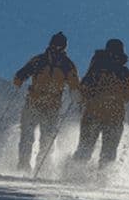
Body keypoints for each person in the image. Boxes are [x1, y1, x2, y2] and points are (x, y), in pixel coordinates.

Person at [73, 39, 129, 167]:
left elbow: (85, 89)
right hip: (111, 117)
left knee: (87, 151)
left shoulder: (98, 68)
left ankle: (74, 176)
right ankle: (101, 181)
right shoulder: (120, 71)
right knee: (106, 154)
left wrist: (79, 96)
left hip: (96, 115)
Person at [13, 32, 80, 172]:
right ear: (51, 44)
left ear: (64, 47)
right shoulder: (40, 60)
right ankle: (23, 167)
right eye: (55, 44)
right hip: (35, 103)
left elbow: (74, 83)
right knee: (27, 136)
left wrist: (75, 93)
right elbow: (23, 72)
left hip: (51, 106)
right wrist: (19, 79)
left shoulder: (67, 65)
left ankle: (42, 169)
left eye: (60, 45)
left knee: (47, 139)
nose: (57, 47)